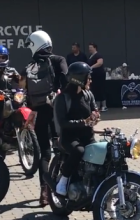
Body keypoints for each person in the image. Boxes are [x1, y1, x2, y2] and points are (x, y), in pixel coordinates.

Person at [18, 30, 68, 205]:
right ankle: (65, 187)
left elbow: (21, 86)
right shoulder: (58, 60)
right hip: (57, 112)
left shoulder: (29, 66)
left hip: (39, 113)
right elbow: (66, 80)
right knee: (66, 149)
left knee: (44, 153)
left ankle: (44, 192)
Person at [53, 61, 100, 196]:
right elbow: (62, 123)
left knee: (103, 154)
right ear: (78, 79)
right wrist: (83, 122)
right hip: (69, 138)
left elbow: (94, 109)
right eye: (88, 77)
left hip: (88, 137)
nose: (90, 80)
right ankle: (63, 180)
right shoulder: (63, 98)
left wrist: (95, 115)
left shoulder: (88, 94)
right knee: (79, 151)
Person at [87, 43, 107, 112]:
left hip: (99, 75)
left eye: (91, 47)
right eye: (89, 47)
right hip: (94, 76)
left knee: (100, 89)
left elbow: (100, 63)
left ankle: (104, 106)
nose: (89, 49)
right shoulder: (90, 56)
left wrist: (91, 67)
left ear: (95, 48)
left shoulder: (98, 55)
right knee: (95, 90)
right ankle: (97, 106)